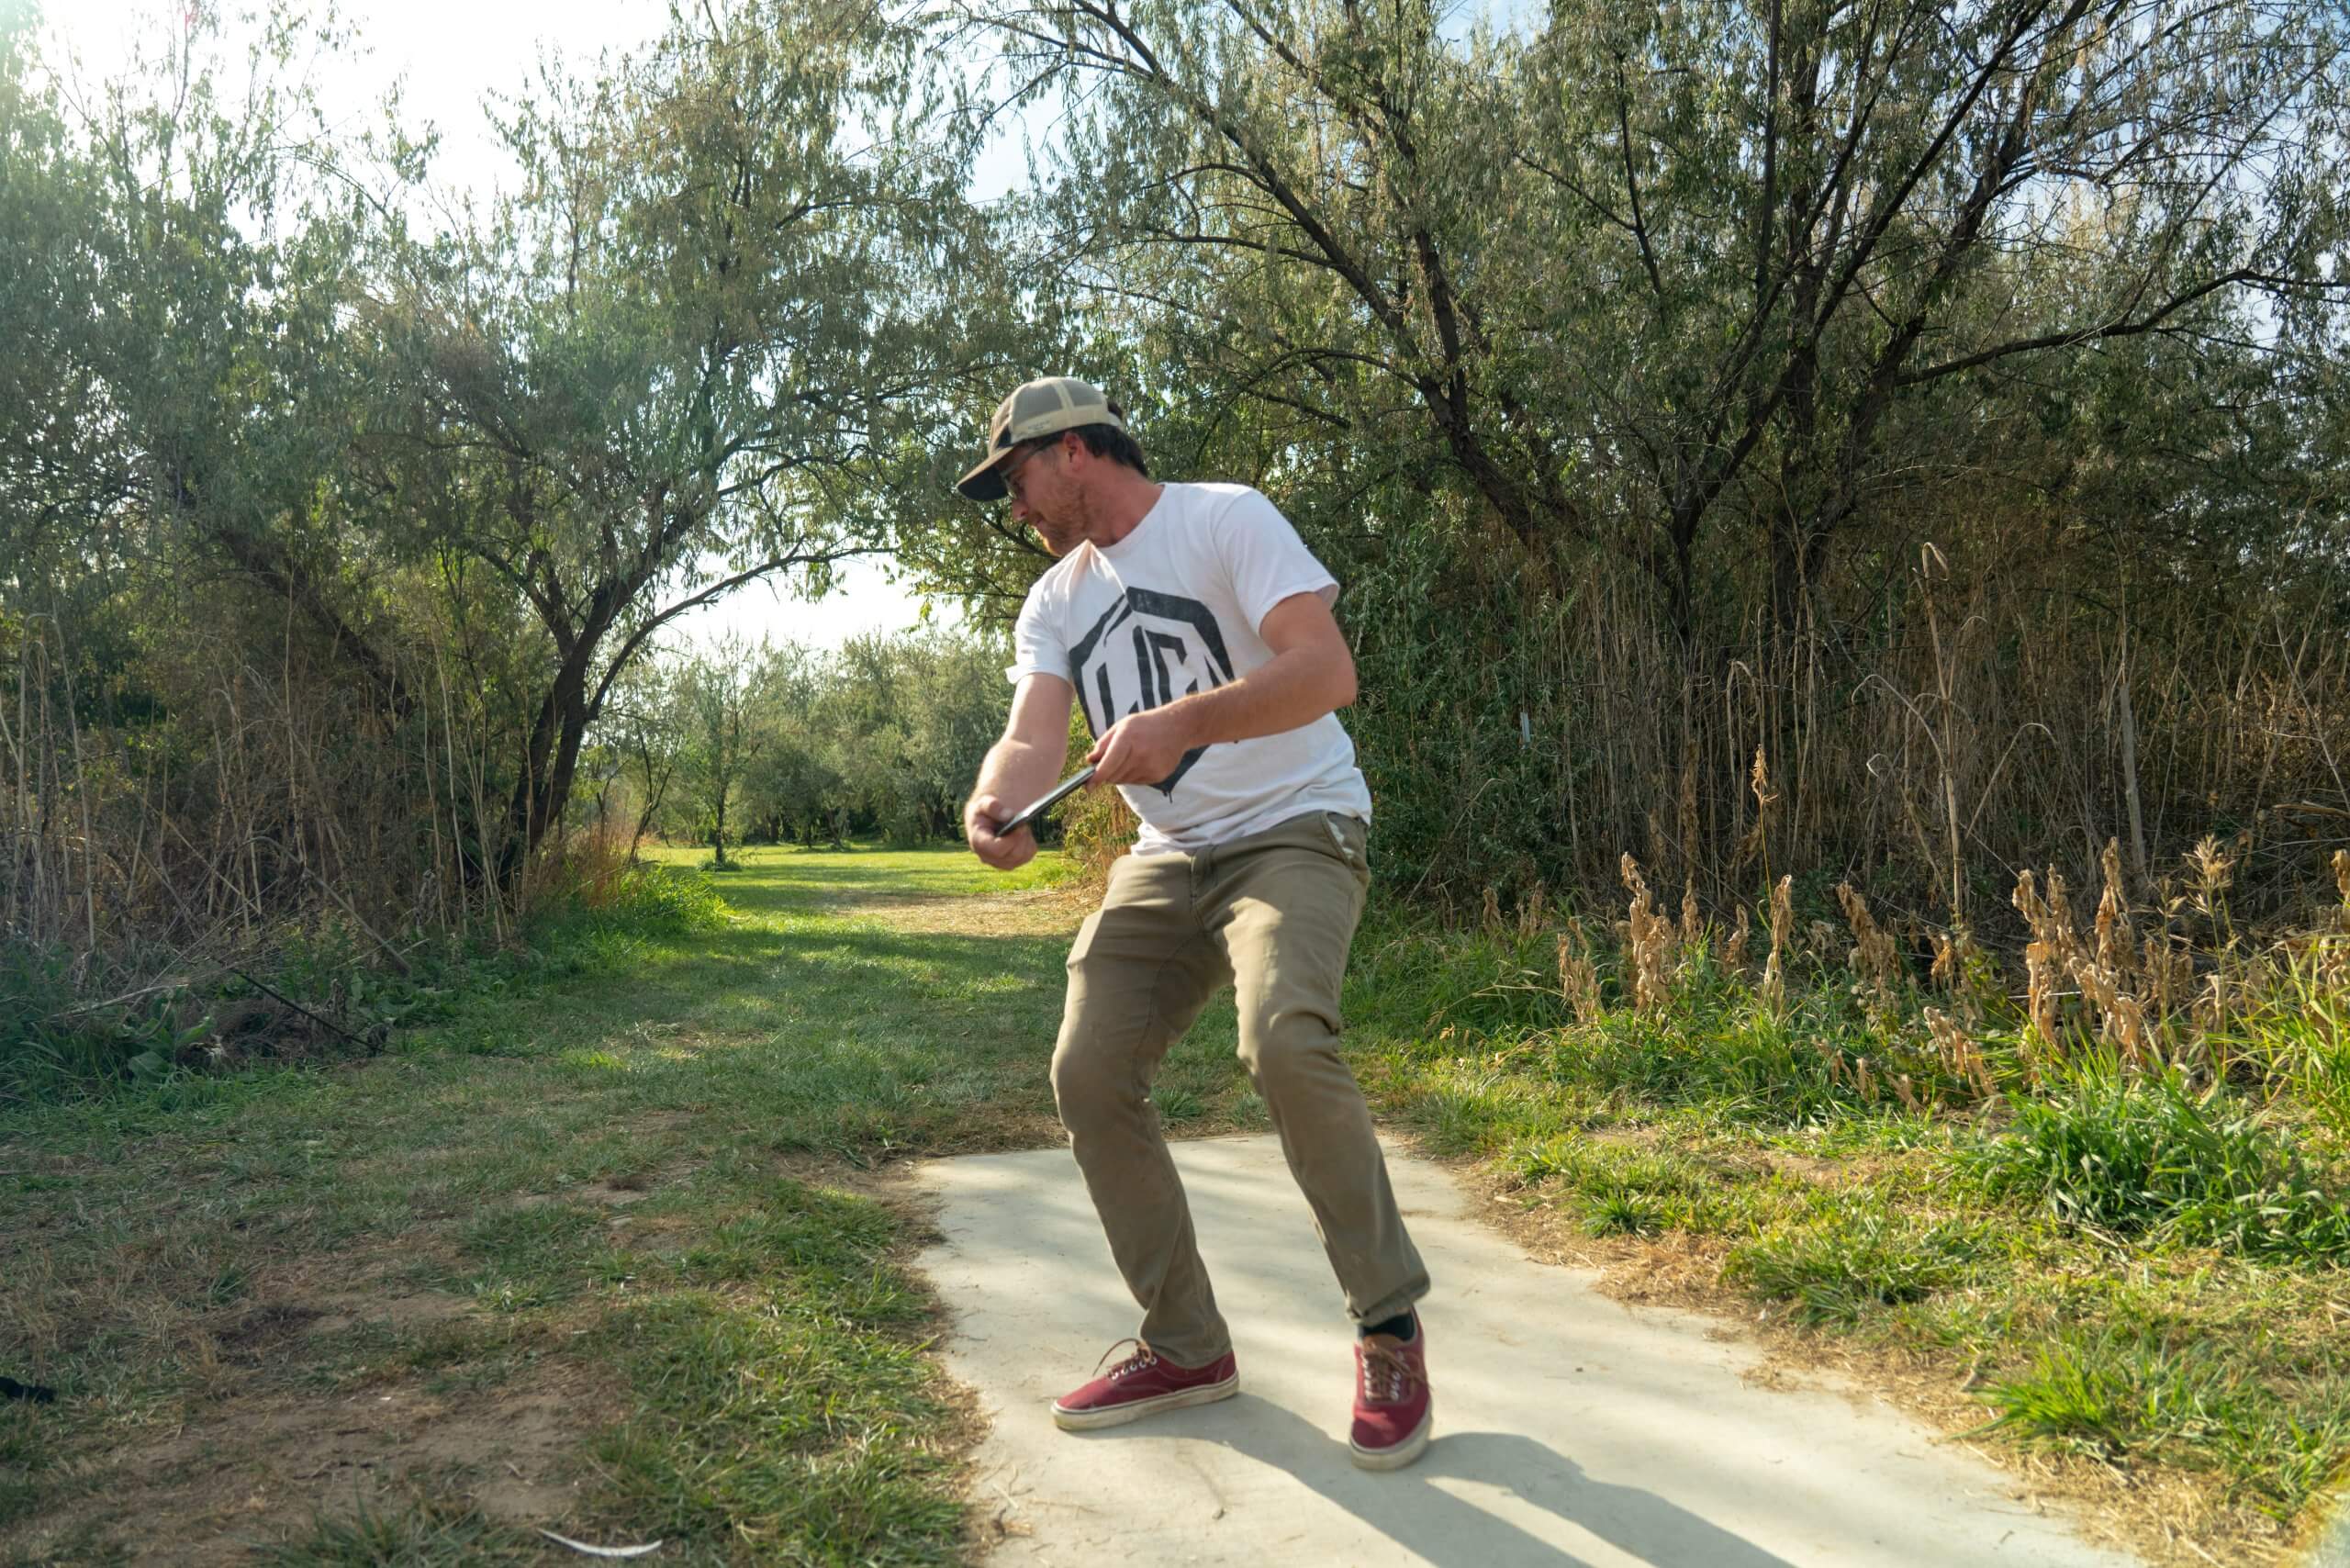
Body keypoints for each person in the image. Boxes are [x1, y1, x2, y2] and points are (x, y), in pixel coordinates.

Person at [957, 375, 1433, 1471]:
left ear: (1073, 451)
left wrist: (1179, 723)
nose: (1014, 506)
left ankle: (1388, 1327)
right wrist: (994, 803)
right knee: (1086, 1070)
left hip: (1296, 828)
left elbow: (1326, 671)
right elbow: (1031, 737)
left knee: (1280, 1040)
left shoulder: (1226, 517)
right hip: (1167, 858)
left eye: (1017, 479)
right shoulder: (1055, 599)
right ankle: (1184, 1344)